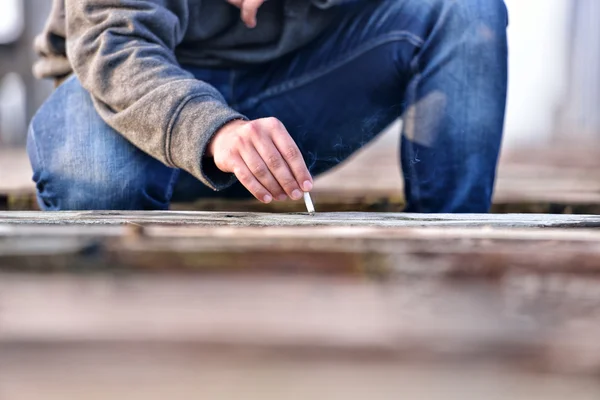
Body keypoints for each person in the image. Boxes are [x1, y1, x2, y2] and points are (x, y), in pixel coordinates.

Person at [28, 0, 508, 213]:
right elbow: (113, 41)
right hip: (145, 104)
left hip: (296, 91)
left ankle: (453, 254)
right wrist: (212, 130)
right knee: (92, 177)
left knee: (468, 9)